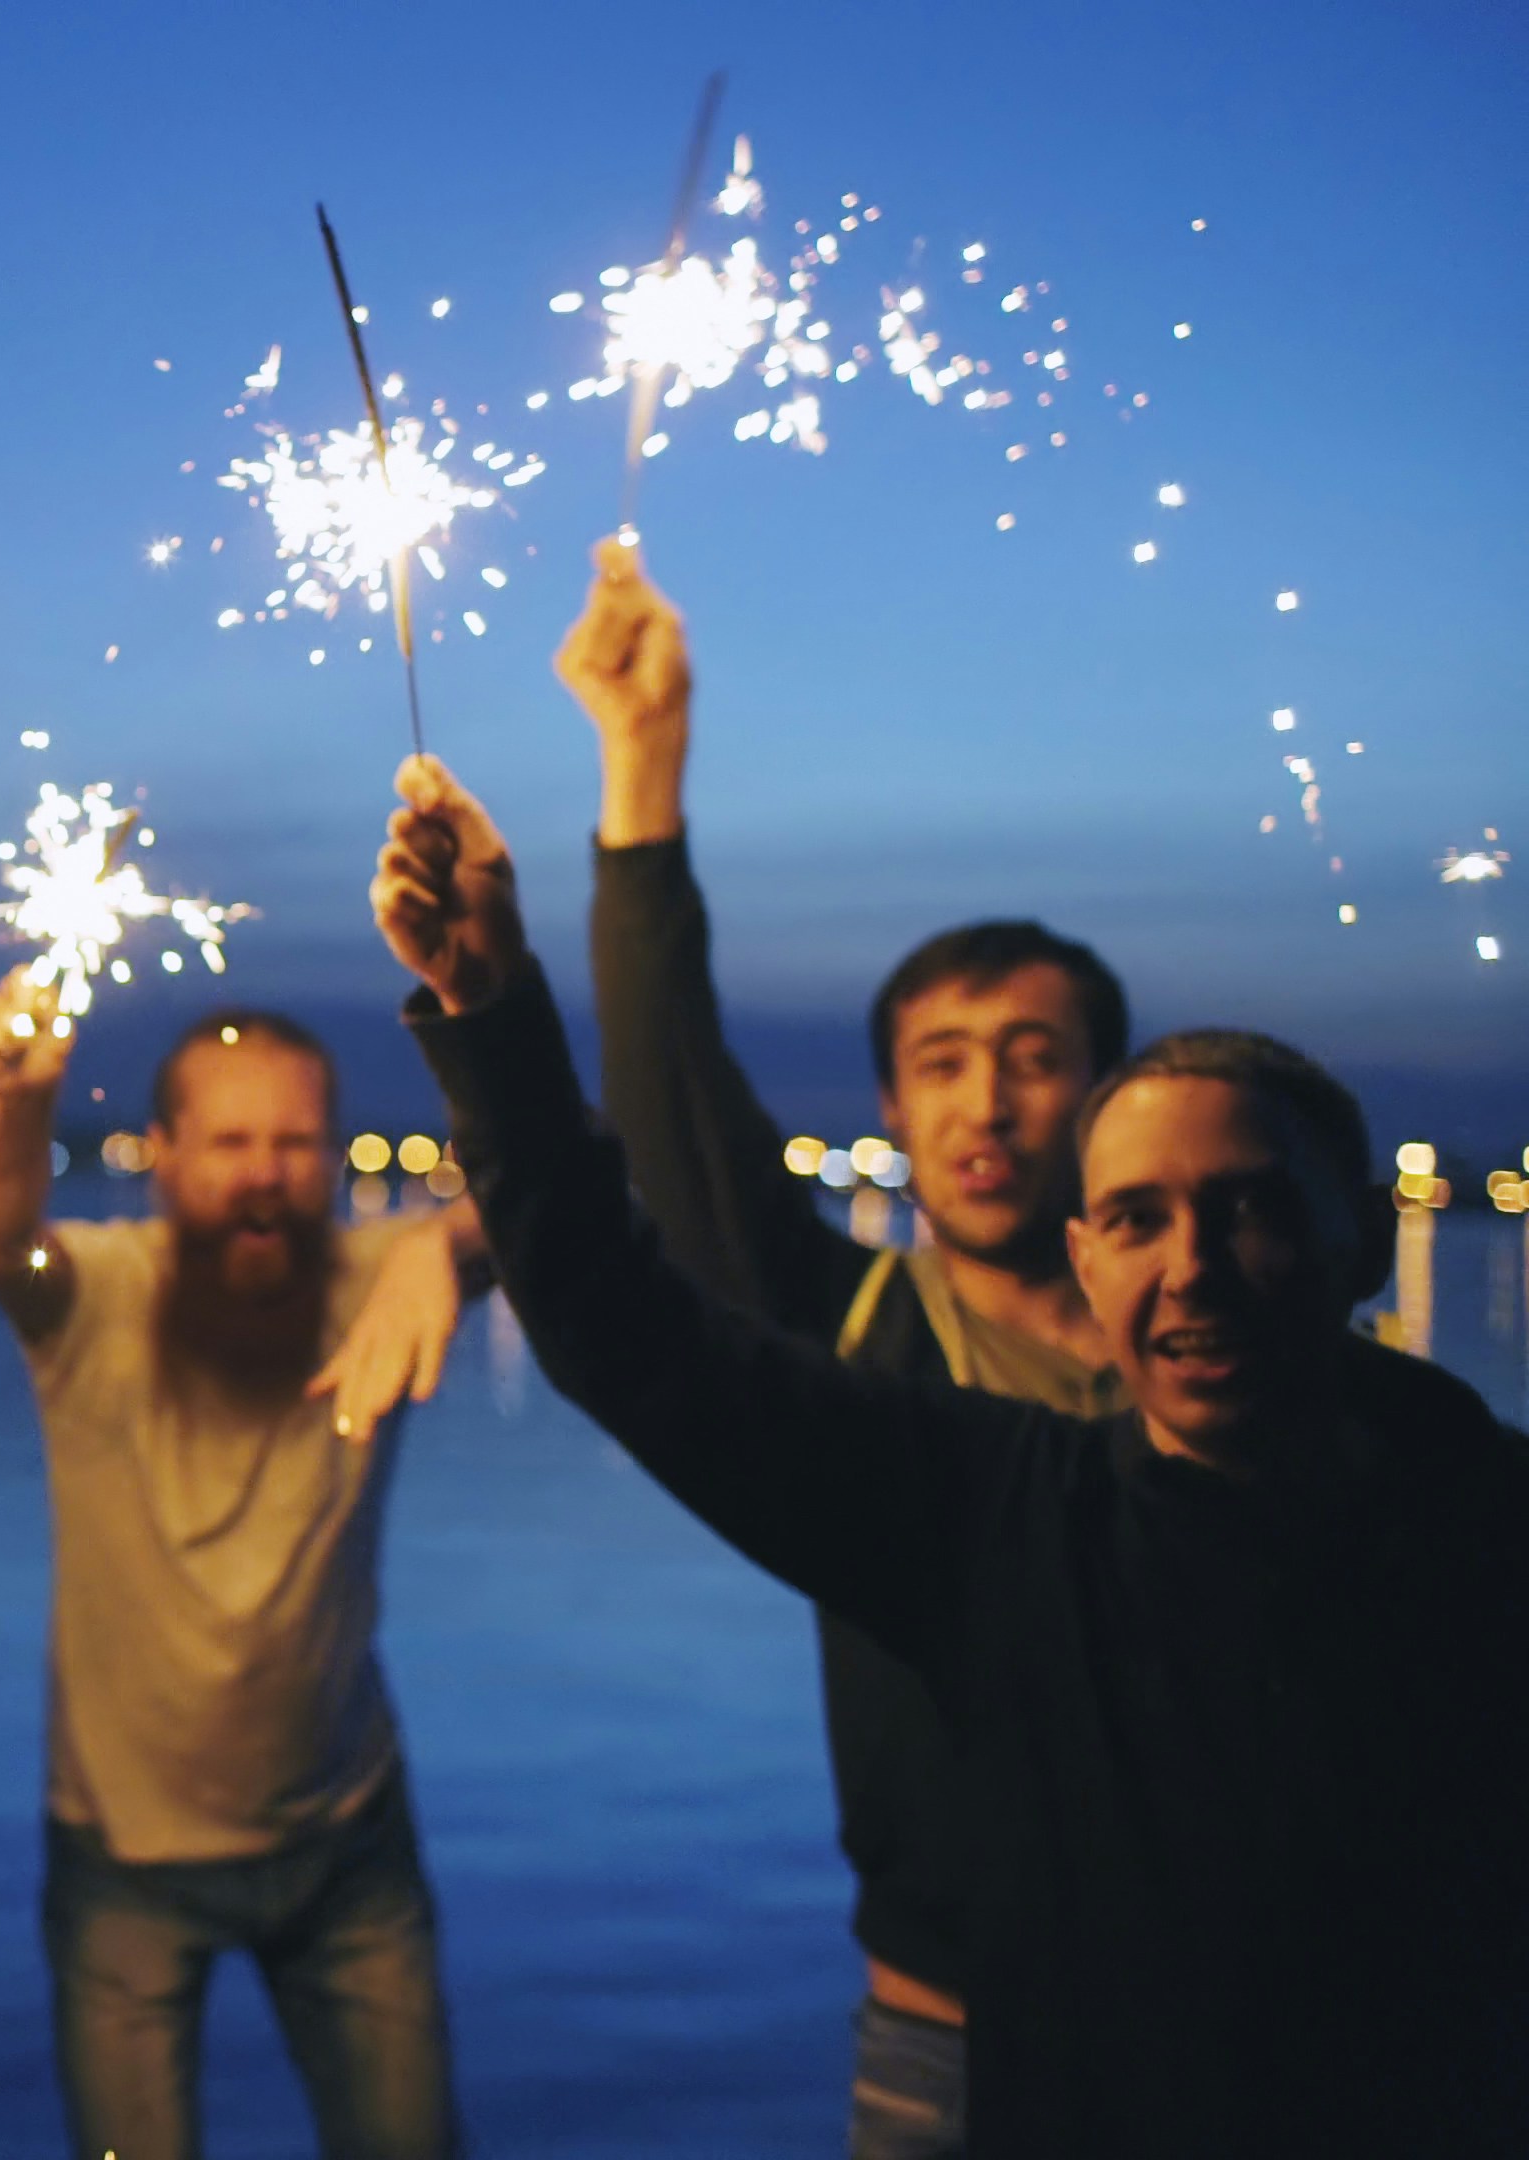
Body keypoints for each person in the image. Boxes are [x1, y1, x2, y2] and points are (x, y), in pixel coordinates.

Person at [372, 753, 1529, 2157]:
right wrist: (494, 1015)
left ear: (1349, 1234)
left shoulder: (1480, 1518)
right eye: (1145, 1221)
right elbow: (634, 1331)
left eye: (1250, 1212)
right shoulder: (999, 1511)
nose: (1199, 1271)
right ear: (1091, 1255)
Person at [556, 537, 1130, 2155]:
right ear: (891, 1107)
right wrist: (642, 766)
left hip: (1209, 2026)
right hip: (938, 2042)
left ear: (1107, 1093)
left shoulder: (1216, 1369)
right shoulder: (854, 1337)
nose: (988, 1100)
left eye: (1033, 1055)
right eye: (941, 1062)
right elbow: (672, 1113)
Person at [0, 966, 475, 2160]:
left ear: (334, 1154)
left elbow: (573, 1183)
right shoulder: (95, 1298)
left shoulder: (379, 1278)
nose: (263, 1175)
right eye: (230, 1140)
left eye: (294, 1142)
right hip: (124, 1866)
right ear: (162, 1154)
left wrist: (450, 1240)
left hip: (347, 1845)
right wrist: (20, 1100)